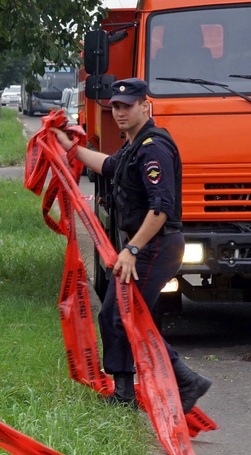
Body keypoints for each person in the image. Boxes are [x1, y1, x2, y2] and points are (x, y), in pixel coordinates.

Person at [53, 78, 212, 411]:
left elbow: (161, 207)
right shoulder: (134, 144)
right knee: (120, 314)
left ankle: (181, 382)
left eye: (128, 106)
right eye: (116, 107)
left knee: (121, 314)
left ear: (144, 106)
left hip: (156, 246)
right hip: (147, 246)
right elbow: (109, 167)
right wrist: (69, 146)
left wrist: (132, 249)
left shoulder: (153, 147)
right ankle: (132, 390)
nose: (120, 112)